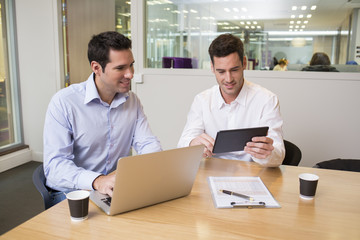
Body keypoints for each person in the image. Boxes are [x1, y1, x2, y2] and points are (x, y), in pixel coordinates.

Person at [43, 31, 162, 205]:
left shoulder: (132, 101)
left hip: (112, 189)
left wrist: (156, 166)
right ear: (97, 68)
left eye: (131, 65)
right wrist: (98, 181)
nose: (130, 74)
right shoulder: (64, 103)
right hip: (72, 193)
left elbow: (147, 144)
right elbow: (55, 168)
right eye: (120, 68)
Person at [178, 34, 285, 167]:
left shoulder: (267, 100)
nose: (228, 79)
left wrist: (267, 154)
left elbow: (278, 155)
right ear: (212, 67)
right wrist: (192, 143)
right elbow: (183, 143)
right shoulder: (202, 100)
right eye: (221, 71)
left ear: (244, 63)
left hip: (253, 174)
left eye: (234, 70)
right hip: (211, 174)